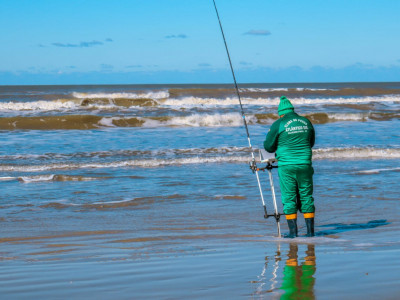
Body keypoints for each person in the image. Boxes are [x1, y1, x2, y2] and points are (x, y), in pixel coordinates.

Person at [264, 96, 315, 237]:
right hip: (305, 164)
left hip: (287, 166)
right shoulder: (306, 121)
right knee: (306, 197)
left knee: (289, 198)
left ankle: (293, 233)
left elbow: (268, 146)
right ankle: (311, 233)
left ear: (281, 112)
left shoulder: (279, 123)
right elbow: (311, 142)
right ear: (292, 110)